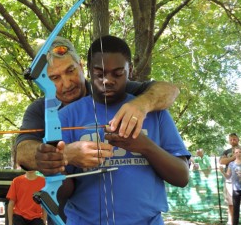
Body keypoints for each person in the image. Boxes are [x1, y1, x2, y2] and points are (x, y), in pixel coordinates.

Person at [55, 35, 191, 224]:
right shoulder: (67, 116)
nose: (107, 80)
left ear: (130, 70)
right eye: (99, 73)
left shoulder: (154, 112)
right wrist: (56, 164)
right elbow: (63, 191)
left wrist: (145, 147)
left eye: (117, 73)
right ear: (88, 70)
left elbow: (182, 177)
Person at [15, 36, 180, 175]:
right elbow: (22, 153)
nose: (66, 83)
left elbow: (170, 90)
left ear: (80, 66)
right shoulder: (40, 109)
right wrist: (66, 154)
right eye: (54, 78)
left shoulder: (107, 89)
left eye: (70, 70)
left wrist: (142, 104)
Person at [220, 133, 241, 224]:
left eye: (234, 139)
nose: (233, 141)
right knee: (231, 204)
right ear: (229, 141)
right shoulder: (226, 151)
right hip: (229, 181)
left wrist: (229, 159)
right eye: (231, 139)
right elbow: (222, 161)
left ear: (238, 139)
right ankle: (231, 222)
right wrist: (233, 157)